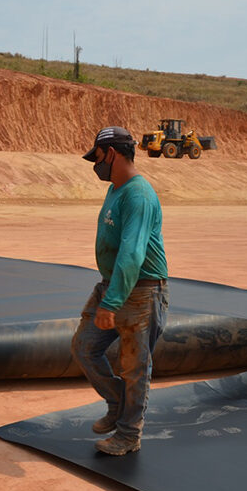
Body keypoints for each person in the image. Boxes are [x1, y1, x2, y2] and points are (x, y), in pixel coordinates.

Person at [72, 126, 169, 456]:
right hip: (112, 284)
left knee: (135, 365)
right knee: (84, 347)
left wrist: (111, 302)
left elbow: (132, 253)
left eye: (97, 157)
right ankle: (117, 404)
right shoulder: (116, 189)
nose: (94, 164)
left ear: (111, 153)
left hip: (141, 291)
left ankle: (129, 435)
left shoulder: (138, 195)